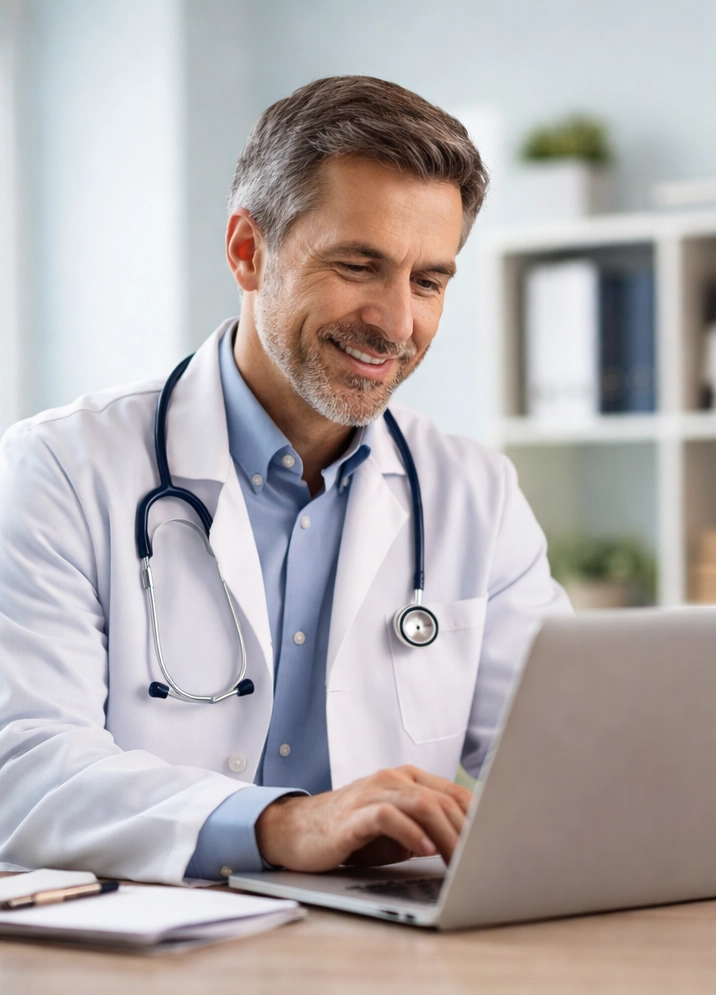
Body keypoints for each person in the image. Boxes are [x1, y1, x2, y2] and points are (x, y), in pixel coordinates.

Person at [0, 76, 570, 883]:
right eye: (358, 265)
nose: (396, 322)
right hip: (149, 954)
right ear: (247, 250)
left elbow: (562, 757)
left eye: (428, 281)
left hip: (381, 950)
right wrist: (277, 824)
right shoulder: (60, 468)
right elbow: (20, 768)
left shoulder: (473, 493)